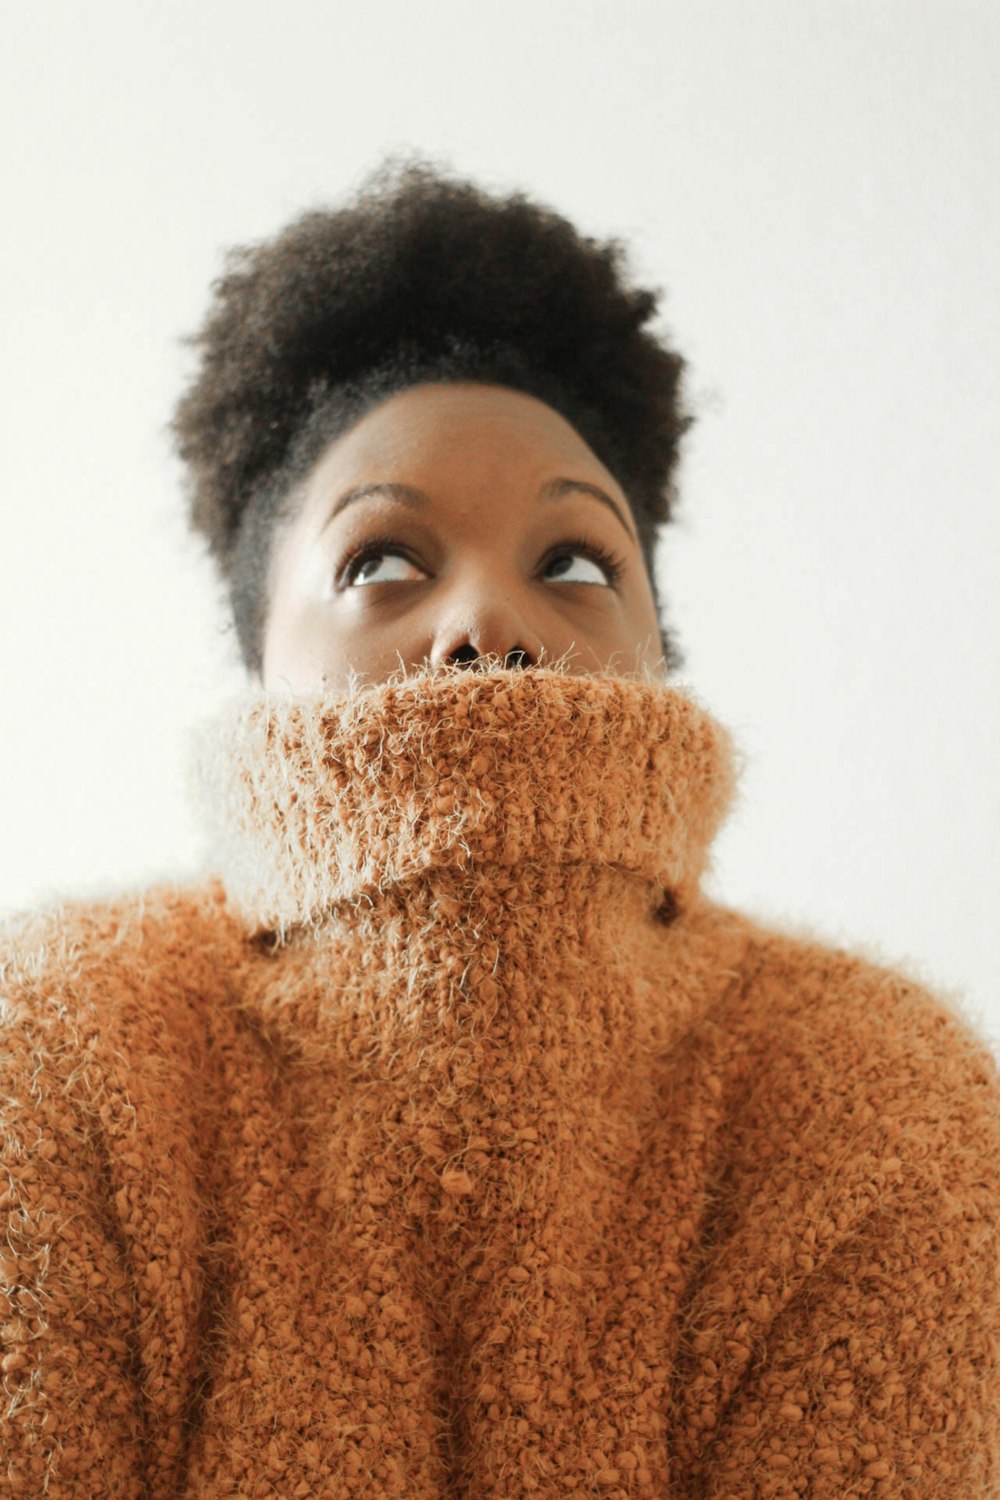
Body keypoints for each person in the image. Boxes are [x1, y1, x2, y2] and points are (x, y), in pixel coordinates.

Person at [2, 153, 998, 1499]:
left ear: (657, 649)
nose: (487, 622)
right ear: (262, 657)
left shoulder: (883, 1103)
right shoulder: (58, 1060)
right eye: (385, 561)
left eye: (575, 563)